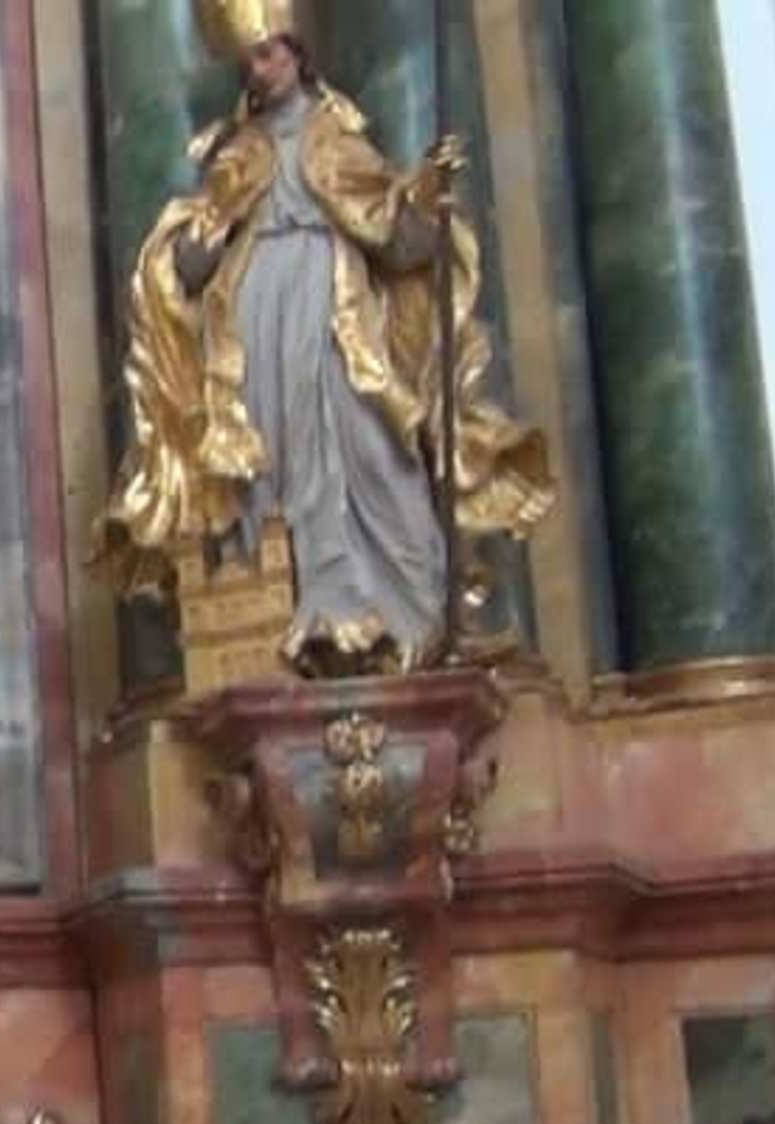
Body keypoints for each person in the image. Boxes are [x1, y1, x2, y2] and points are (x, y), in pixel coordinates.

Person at [103, 0, 553, 674]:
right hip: (253, 327)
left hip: (336, 315)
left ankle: (400, 617)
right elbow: (191, 267)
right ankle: (297, 622)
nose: (260, 68)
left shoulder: (338, 135)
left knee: (370, 447)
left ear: (297, 52)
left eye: (269, 53)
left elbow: (398, 243)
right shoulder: (234, 152)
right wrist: (200, 242)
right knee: (271, 469)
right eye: (251, 59)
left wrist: (427, 195)